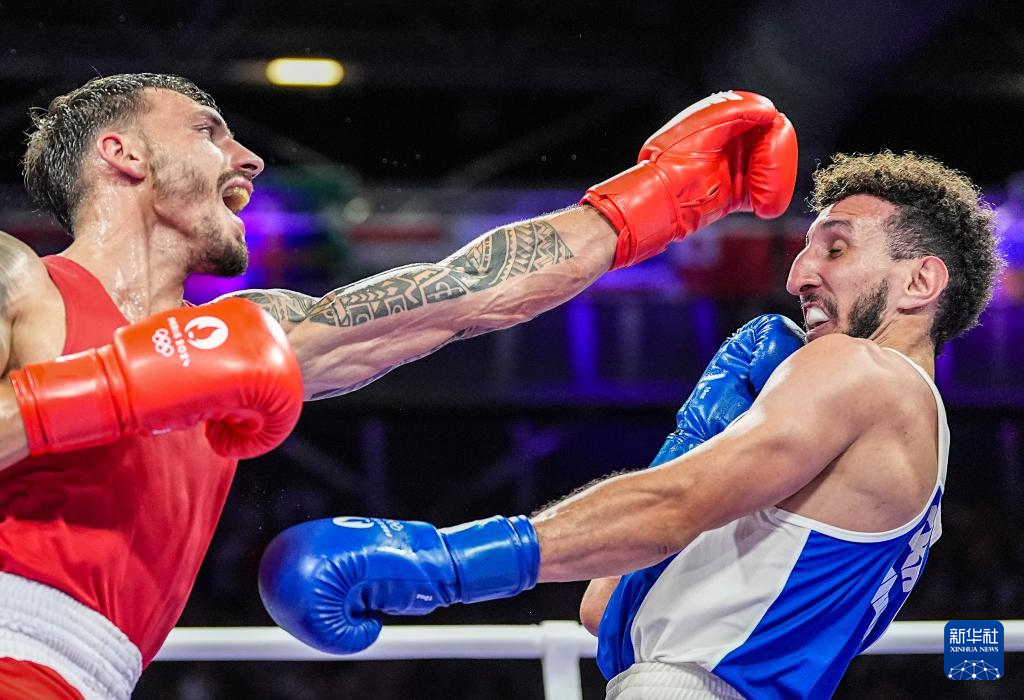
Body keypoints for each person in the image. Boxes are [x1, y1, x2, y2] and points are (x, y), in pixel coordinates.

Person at [0, 74, 797, 700]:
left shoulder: (245, 340)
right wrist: (118, 386)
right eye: (209, 131)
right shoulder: (19, 280)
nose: (248, 159)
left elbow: (465, 294)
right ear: (123, 155)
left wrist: (661, 196)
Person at [258, 151, 1003, 699]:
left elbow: (671, 507)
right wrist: (698, 438)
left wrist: (438, 563)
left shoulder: (860, 371)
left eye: (836, 248)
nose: (798, 275)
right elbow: (604, 606)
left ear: (921, 280)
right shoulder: (913, 437)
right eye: (806, 250)